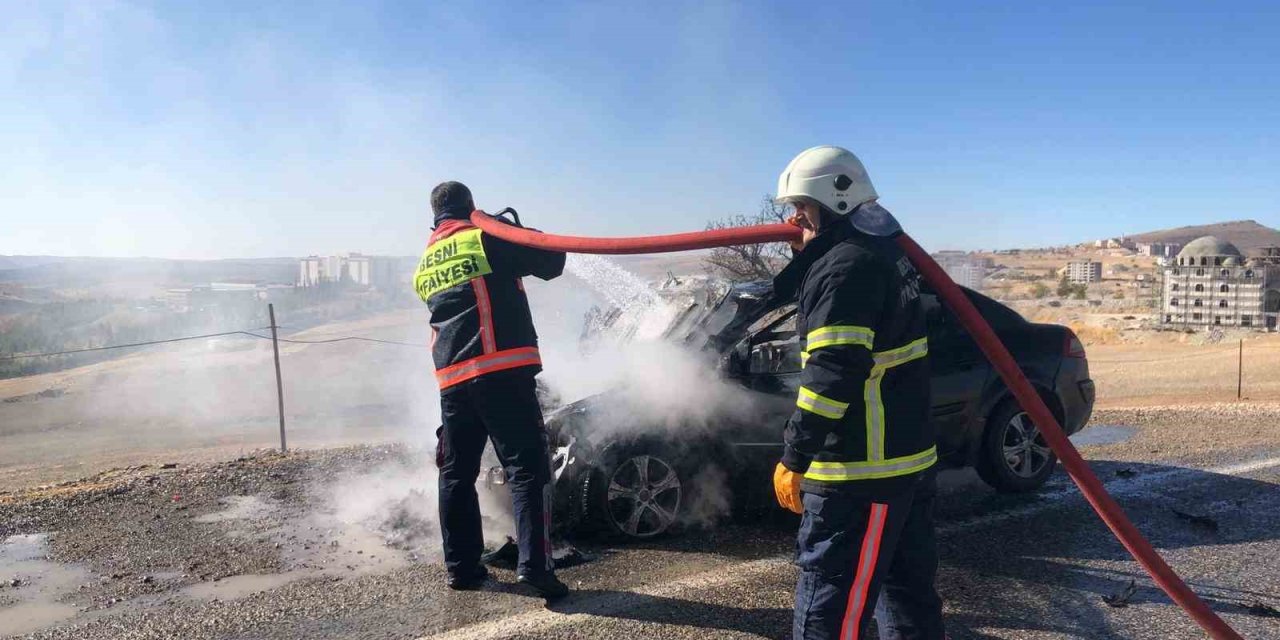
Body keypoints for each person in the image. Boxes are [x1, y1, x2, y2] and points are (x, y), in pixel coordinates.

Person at [770, 146, 945, 639]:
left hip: (858, 473)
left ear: (834, 201)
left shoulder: (844, 268)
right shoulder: (880, 251)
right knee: (909, 599)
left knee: (832, 607)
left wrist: (794, 456)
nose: (791, 217)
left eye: (801, 205)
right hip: (903, 464)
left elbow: (832, 374)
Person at [415, 181, 569, 599]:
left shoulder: (426, 261)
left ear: (435, 216)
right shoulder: (484, 239)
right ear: (470, 207)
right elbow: (552, 259)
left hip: (452, 382)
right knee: (528, 468)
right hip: (500, 370)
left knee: (456, 473)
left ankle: (462, 569)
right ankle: (535, 569)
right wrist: (505, 226)